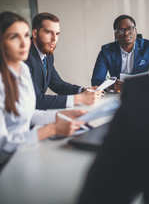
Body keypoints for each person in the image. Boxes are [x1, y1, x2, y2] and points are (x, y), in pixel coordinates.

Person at [0, 11, 87, 166]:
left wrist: (61, 115)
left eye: (25, 36)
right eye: (14, 37)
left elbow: (28, 113)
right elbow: (3, 146)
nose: (23, 43)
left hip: (23, 151)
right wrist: (52, 129)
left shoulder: (21, 69)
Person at [78, 71, 149, 204]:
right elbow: (97, 80)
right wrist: (112, 86)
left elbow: (99, 195)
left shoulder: (145, 96)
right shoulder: (108, 51)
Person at [25, 12, 102, 110]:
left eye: (57, 34)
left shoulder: (47, 55)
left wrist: (83, 90)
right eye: (48, 32)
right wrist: (79, 99)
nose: (54, 39)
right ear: (35, 33)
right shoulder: (24, 56)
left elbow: (57, 84)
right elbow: (36, 100)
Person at [91, 14, 149, 92]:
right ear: (116, 35)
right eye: (121, 30)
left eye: (130, 28)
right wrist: (112, 86)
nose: (126, 33)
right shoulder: (106, 51)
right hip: (119, 94)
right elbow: (96, 80)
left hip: (143, 92)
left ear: (136, 31)